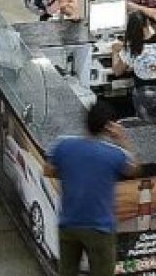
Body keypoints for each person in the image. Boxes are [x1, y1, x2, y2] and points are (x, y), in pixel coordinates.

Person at [43, 101, 137, 276]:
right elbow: (133, 169)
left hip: (69, 224)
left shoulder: (64, 145)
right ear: (108, 127)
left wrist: (73, 172)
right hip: (99, 229)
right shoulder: (114, 154)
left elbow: (47, 170)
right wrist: (122, 139)